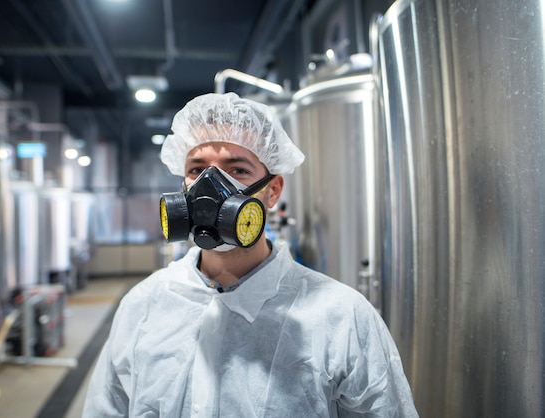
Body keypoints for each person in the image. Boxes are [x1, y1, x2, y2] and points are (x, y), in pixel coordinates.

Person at [83, 92, 418, 417]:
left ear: (272, 191)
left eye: (238, 170)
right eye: (197, 171)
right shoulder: (143, 305)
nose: (209, 189)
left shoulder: (341, 317)